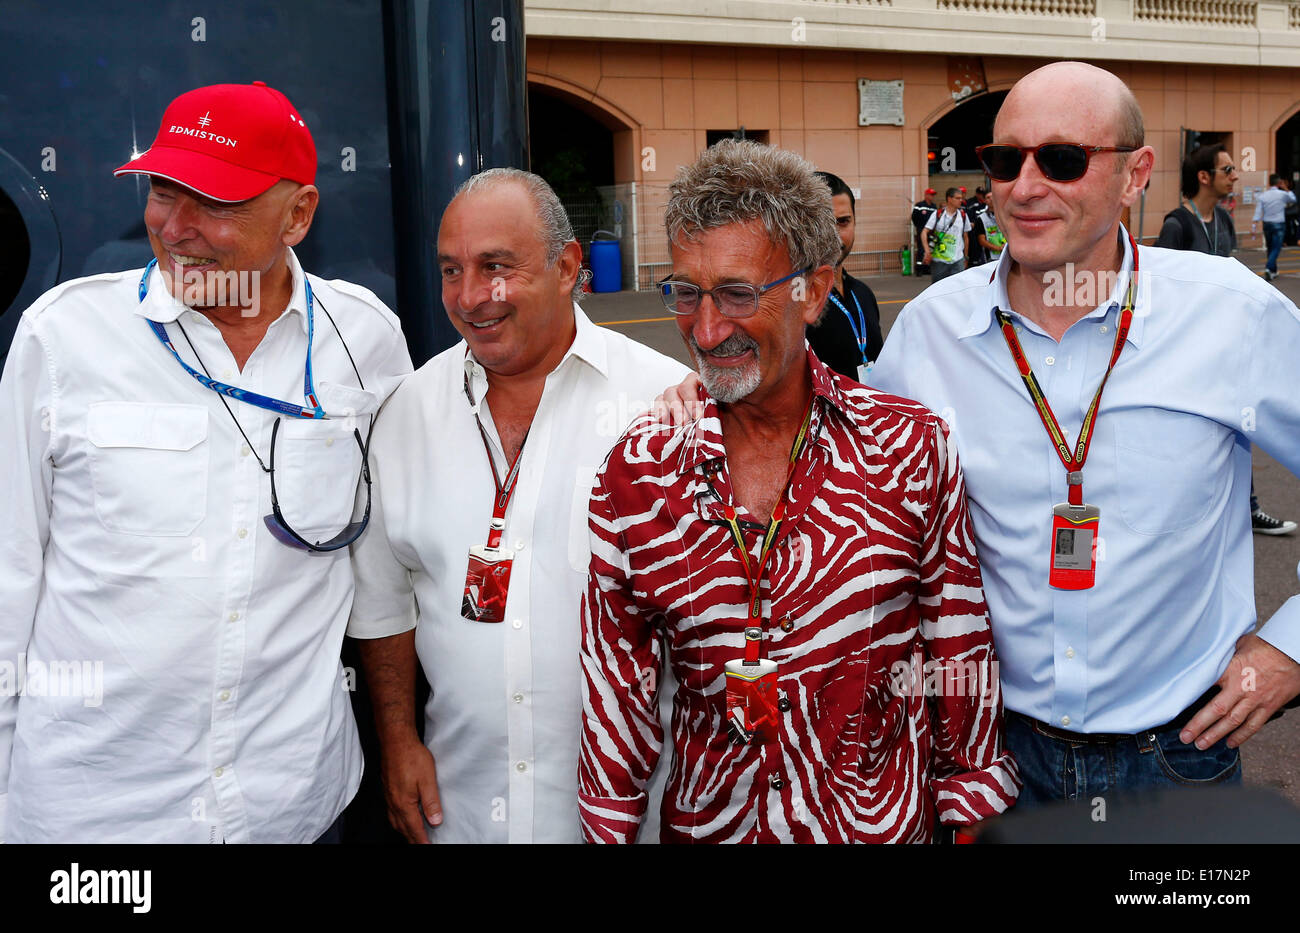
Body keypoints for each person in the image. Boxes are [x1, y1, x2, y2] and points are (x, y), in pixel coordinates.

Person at [869, 61, 1300, 805]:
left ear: (1137, 173)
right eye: (1005, 161)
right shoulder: (932, 330)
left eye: (1062, 160)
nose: (1024, 186)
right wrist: (713, 386)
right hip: (994, 756)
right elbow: (841, 467)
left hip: (1178, 756)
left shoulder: (1232, 314)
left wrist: (1291, 646)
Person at [0, 81, 413, 842]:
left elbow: (380, 562)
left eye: (215, 202)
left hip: (293, 805)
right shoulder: (63, 338)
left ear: (299, 215)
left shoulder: (367, 339)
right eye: (163, 190)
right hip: (96, 821)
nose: (176, 227)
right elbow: (7, 577)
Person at [578, 140, 1019, 844]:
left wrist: (968, 805)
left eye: (738, 293)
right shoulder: (638, 472)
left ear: (813, 291)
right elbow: (615, 698)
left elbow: (956, 641)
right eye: (687, 292)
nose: (706, 327)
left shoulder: (908, 446)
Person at [346, 168, 688, 844]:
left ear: (567, 267)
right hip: (461, 811)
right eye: (451, 270)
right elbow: (386, 601)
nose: (472, 297)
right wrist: (397, 739)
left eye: (495, 267)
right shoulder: (406, 413)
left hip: (635, 815)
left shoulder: (667, 405)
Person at [1156, 145, 1296, 536]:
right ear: (1204, 176)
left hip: (1223, 348)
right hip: (1184, 356)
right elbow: (1157, 294)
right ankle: (1186, 518)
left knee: (1238, 431)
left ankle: (1247, 509)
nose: (1236, 175)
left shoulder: (1222, 219)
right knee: (1193, 440)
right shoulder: (1176, 224)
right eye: (1227, 168)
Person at [806, 171, 883, 382]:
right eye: (823, 223)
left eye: (843, 221)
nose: (834, 235)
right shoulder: (791, 301)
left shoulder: (863, 293)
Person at [1251, 174, 1296, 281]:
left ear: (1269, 182)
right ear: (1278, 183)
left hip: (1267, 224)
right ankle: (1268, 268)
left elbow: (1258, 211)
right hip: (1279, 223)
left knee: (1270, 247)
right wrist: (1286, 188)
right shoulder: (1282, 194)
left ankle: (1273, 270)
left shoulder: (1263, 195)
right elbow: (1293, 199)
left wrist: (1254, 225)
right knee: (1276, 248)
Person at [922, 187, 972, 281]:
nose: (960, 200)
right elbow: (924, 232)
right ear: (949, 199)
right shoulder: (938, 214)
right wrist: (927, 251)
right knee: (938, 288)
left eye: (961, 198)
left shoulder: (963, 215)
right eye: (957, 198)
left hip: (958, 260)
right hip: (939, 260)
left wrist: (966, 257)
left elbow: (966, 237)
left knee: (958, 288)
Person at [911, 188, 938, 276]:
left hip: (931, 232)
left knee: (930, 249)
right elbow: (914, 217)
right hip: (922, 231)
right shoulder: (919, 205)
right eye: (931, 194)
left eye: (933, 195)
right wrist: (919, 227)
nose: (932, 197)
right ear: (926, 195)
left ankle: (927, 268)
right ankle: (919, 269)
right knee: (921, 250)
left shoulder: (934, 207)